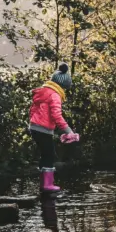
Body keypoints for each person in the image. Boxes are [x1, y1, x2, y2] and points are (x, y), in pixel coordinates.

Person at [29, 63, 79, 193]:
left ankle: (44, 184)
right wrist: (69, 131)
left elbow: (33, 110)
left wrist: (35, 124)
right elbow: (56, 115)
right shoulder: (55, 95)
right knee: (50, 155)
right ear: (63, 86)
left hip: (35, 127)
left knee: (46, 154)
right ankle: (47, 186)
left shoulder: (43, 92)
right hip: (43, 129)